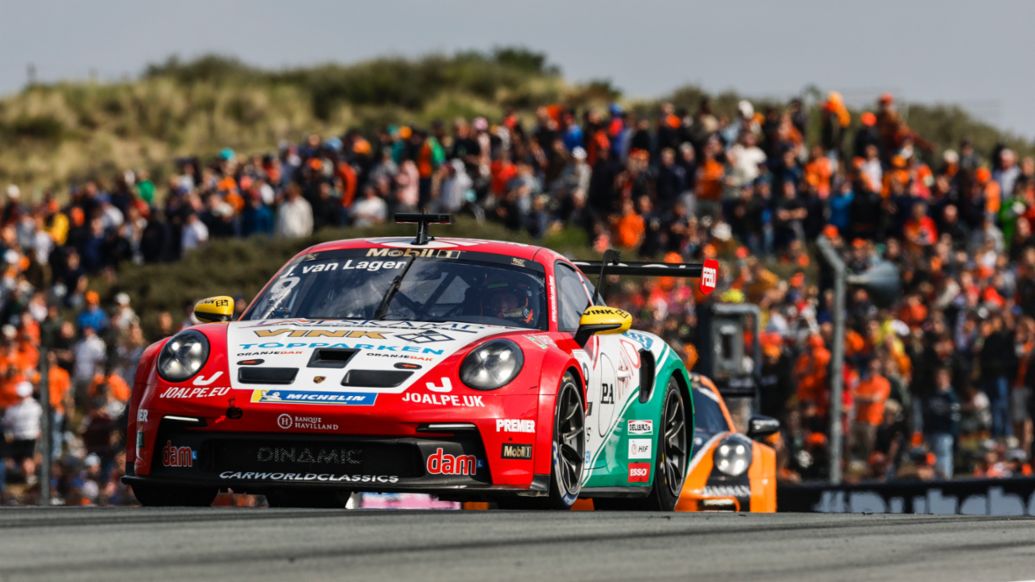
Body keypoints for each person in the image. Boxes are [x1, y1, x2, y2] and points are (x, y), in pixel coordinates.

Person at [923, 368, 961, 479]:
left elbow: (955, 417)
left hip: (945, 432)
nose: (940, 380)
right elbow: (928, 414)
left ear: (948, 379)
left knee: (943, 457)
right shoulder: (931, 394)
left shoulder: (951, 396)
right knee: (932, 459)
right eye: (938, 377)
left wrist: (953, 432)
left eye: (942, 377)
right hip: (932, 431)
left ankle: (946, 481)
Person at [2, 381, 42, 485]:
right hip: (18, 437)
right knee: (17, 461)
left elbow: (7, 421)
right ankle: (23, 478)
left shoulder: (35, 407)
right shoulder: (34, 407)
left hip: (30, 437)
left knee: (27, 460)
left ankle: (28, 478)